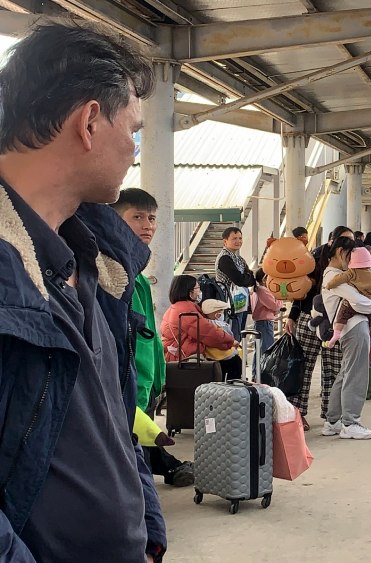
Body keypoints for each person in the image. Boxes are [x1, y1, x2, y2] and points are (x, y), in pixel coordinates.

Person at [0, 22, 166, 561]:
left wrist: (148, 528)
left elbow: (114, 419)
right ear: (90, 122)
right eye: (133, 130)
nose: (135, 150)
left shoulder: (98, 264)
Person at [112, 188, 195, 488]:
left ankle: (165, 469)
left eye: (151, 218)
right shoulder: (114, 271)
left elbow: (148, 333)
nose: (147, 225)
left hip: (145, 380)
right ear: (114, 220)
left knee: (143, 442)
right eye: (137, 217)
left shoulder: (139, 276)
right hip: (128, 382)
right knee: (134, 457)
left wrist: (158, 375)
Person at [286, 225, 354, 429]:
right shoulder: (314, 258)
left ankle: (331, 414)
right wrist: (292, 316)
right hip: (310, 318)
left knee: (334, 369)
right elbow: (302, 289)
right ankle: (297, 413)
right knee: (303, 367)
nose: (349, 246)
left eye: (351, 241)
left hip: (336, 322)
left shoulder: (351, 261)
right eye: (345, 240)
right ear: (333, 241)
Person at [320, 237, 371, 439]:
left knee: (346, 373)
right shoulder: (335, 276)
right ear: (341, 252)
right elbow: (358, 301)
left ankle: (333, 421)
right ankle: (351, 422)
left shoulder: (337, 275)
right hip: (354, 327)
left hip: (350, 328)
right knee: (357, 374)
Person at [161, 276, 242, 380]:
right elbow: (208, 333)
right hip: (185, 357)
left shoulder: (177, 307)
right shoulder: (186, 310)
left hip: (178, 353)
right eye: (197, 288)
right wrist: (230, 341)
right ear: (189, 292)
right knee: (233, 362)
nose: (200, 291)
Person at [322, 247, 371, 345]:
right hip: (368, 300)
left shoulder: (351, 272)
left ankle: (336, 333)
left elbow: (338, 280)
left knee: (342, 316)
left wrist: (328, 286)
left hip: (350, 305)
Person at [216, 226, 256, 338]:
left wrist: (246, 278)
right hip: (229, 303)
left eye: (240, 238)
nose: (238, 241)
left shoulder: (239, 258)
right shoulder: (224, 258)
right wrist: (246, 278)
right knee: (232, 333)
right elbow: (239, 279)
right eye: (234, 238)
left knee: (239, 332)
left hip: (241, 302)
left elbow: (251, 279)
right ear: (225, 241)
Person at [251, 268, 280, 376]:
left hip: (260, 323)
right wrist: (280, 297)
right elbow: (275, 306)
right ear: (265, 279)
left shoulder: (257, 290)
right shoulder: (263, 290)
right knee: (266, 350)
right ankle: (262, 376)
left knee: (259, 350)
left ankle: (256, 375)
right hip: (265, 323)